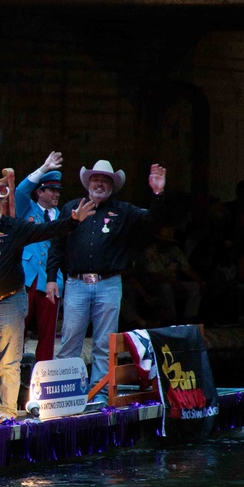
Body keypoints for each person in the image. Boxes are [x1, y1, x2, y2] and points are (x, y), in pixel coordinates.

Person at [0, 180, 95, 423]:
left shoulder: (14, 228)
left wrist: (73, 221)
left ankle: (6, 413)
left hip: (9, 303)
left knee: (9, 362)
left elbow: (45, 231)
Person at [46, 160, 167, 402]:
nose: (99, 184)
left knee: (104, 342)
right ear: (87, 183)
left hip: (109, 283)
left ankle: (99, 394)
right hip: (76, 283)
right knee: (70, 340)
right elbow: (56, 245)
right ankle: (64, 393)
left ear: (112, 186)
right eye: (95, 179)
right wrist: (51, 279)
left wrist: (158, 194)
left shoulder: (123, 211)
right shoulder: (72, 207)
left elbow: (152, 222)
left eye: (105, 180)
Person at [14, 152, 65, 362]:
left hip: (51, 280)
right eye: (52, 190)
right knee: (18, 329)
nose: (56, 194)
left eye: (58, 191)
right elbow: (20, 190)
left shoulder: (62, 216)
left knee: (48, 332)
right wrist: (43, 168)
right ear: (40, 192)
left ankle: (43, 373)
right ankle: (15, 370)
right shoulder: (27, 208)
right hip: (26, 277)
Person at [142, 226, 204, 324]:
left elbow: (187, 269)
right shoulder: (150, 252)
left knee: (195, 286)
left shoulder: (175, 250)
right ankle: (170, 319)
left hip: (175, 283)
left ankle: (190, 318)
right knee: (165, 287)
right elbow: (155, 276)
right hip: (155, 285)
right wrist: (174, 283)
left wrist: (200, 282)